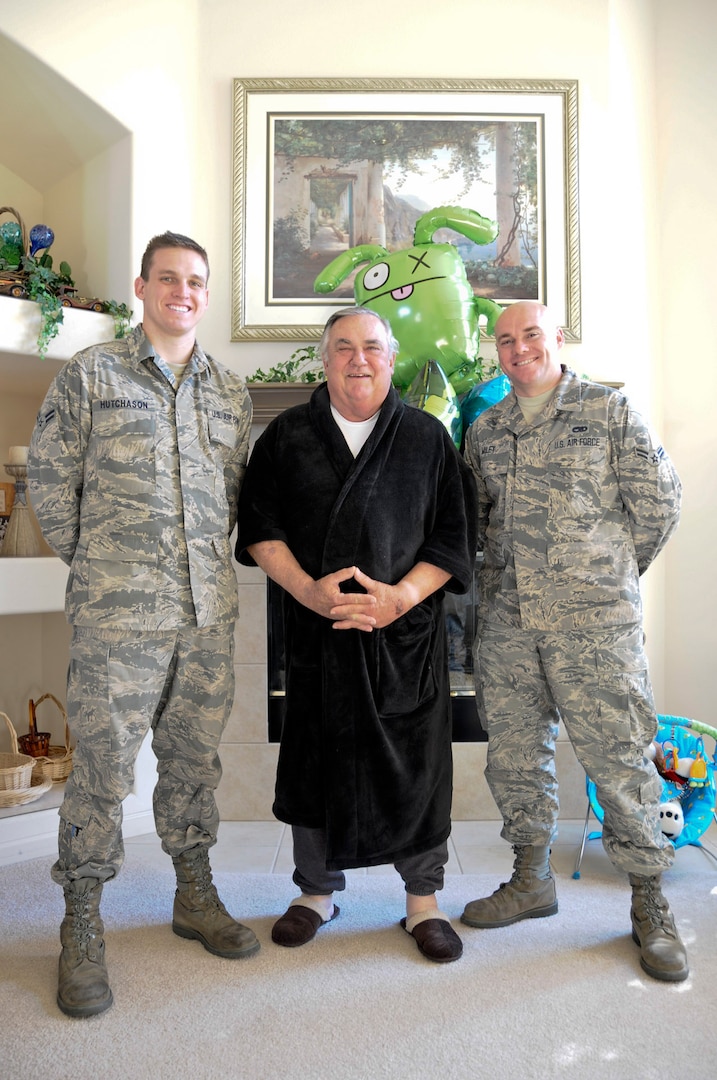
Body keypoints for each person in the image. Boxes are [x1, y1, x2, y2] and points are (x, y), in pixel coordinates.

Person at [28, 232, 259, 1019]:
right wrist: (103, 571)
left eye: (195, 281)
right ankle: (82, 923)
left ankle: (192, 893)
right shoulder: (91, 375)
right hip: (116, 623)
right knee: (101, 770)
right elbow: (52, 489)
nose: (183, 292)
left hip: (205, 620)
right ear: (141, 286)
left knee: (192, 761)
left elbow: (232, 499)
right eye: (169, 278)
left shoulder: (230, 394)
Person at [235, 306, 477, 963]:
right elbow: (259, 530)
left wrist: (401, 597)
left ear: (391, 359)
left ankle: (422, 904)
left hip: (405, 639)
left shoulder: (427, 438)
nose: (357, 359)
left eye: (371, 347)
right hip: (318, 638)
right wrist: (307, 591)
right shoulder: (285, 437)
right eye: (343, 347)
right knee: (313, 756)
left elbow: (454, 539)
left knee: (417, 767)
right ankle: (315, 892)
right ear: (324, 358)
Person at [461, 300, 687, 982]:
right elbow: (477, 529)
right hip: (507, 626)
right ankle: (531, 880)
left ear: (555, 339)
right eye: (504, 340)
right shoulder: (486, 431)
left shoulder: (607, 411)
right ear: (495, 352)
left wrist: (606, 577)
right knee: (514, 759)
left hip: (594, 627)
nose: (518, 348)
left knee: (618, 762)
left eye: (530, 334)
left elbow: (660, 504)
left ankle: (648, 904)